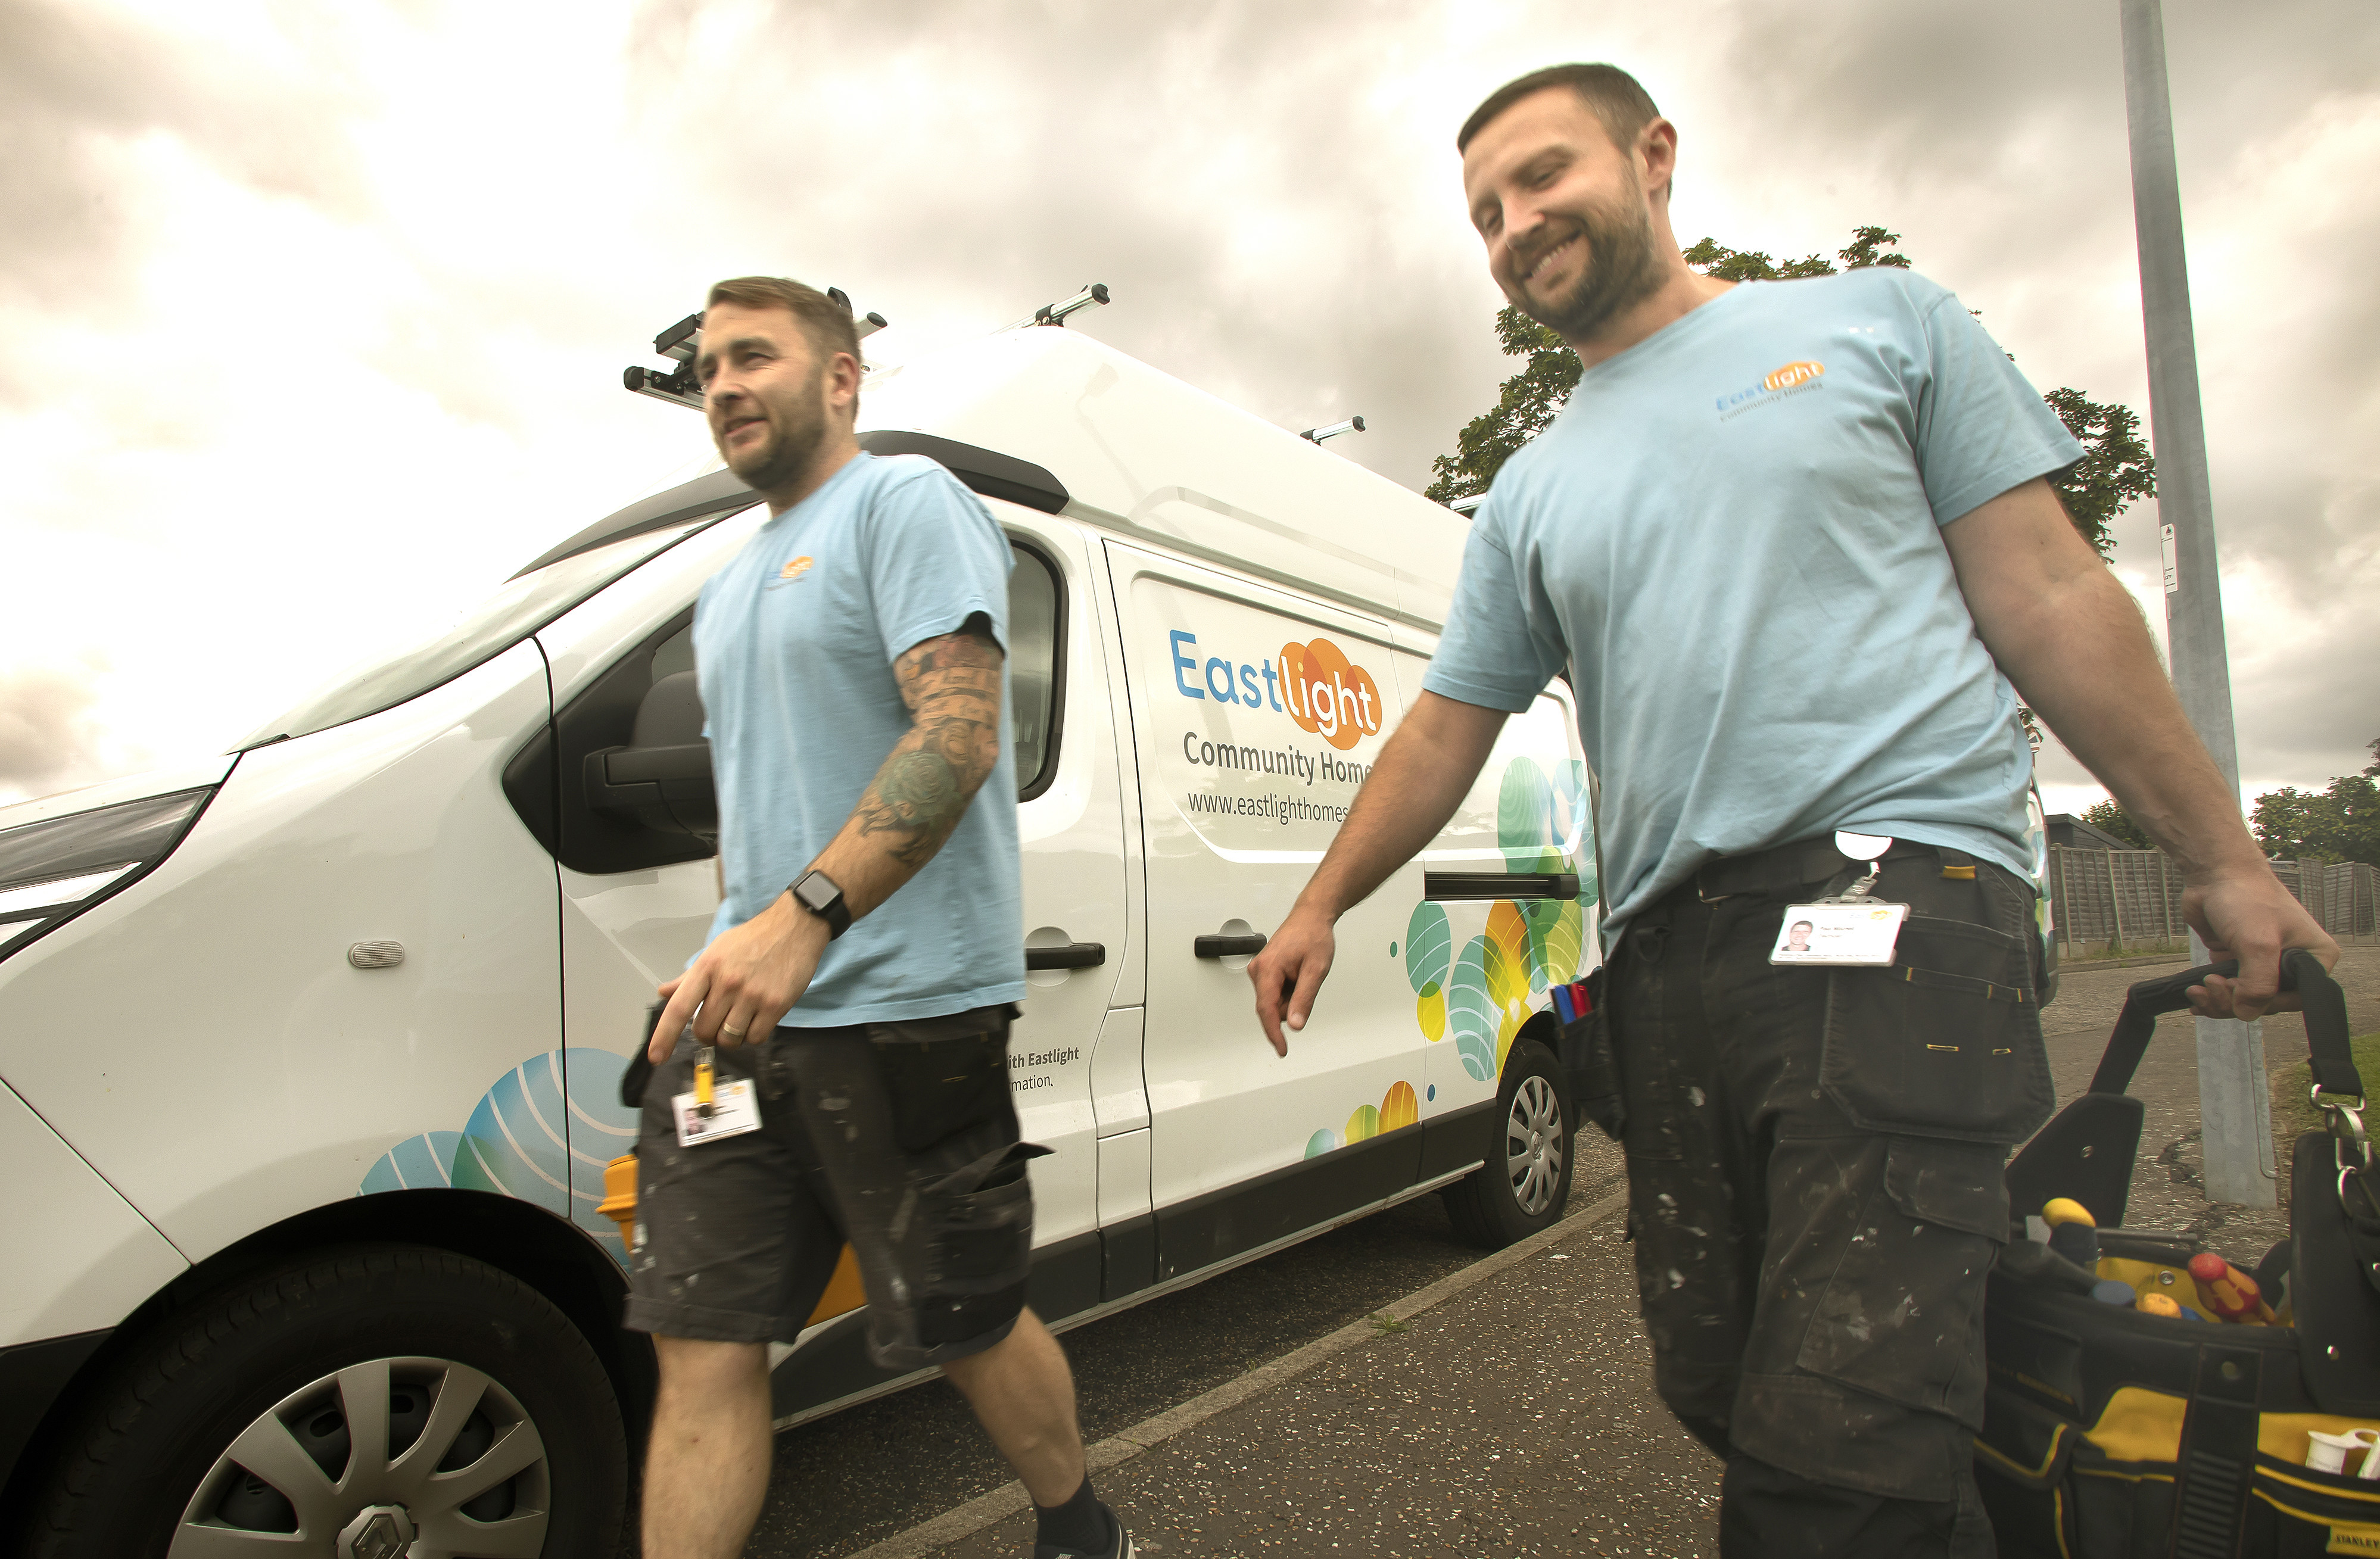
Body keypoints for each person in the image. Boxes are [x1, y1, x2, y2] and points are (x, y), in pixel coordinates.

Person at [1246, 64, 2337, 1558]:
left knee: (1836, 1449)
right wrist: (1318, 899)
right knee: (1735, 1381)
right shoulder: (1532, 487)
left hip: (1896, 911)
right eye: (1486, 212)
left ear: (1655, 156)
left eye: (1543, 176)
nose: (1514, 225)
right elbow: (1449, 720)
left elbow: (2051, 592)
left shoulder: (1876, 324)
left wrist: (2222, 858)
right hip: (1670, 965)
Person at [627, 276, 1132, 1559]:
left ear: (842, 379)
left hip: (903, 1017)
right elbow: (782, 797)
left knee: (961, 1323)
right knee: (703, 1350)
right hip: (736, 1038)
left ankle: (1079, 1529)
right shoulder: (728, 583)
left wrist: (802, 920)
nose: (724, 384)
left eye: (755, 356)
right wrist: (739, 939)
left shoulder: (903, 504)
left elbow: (960, 733)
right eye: (709, 368)